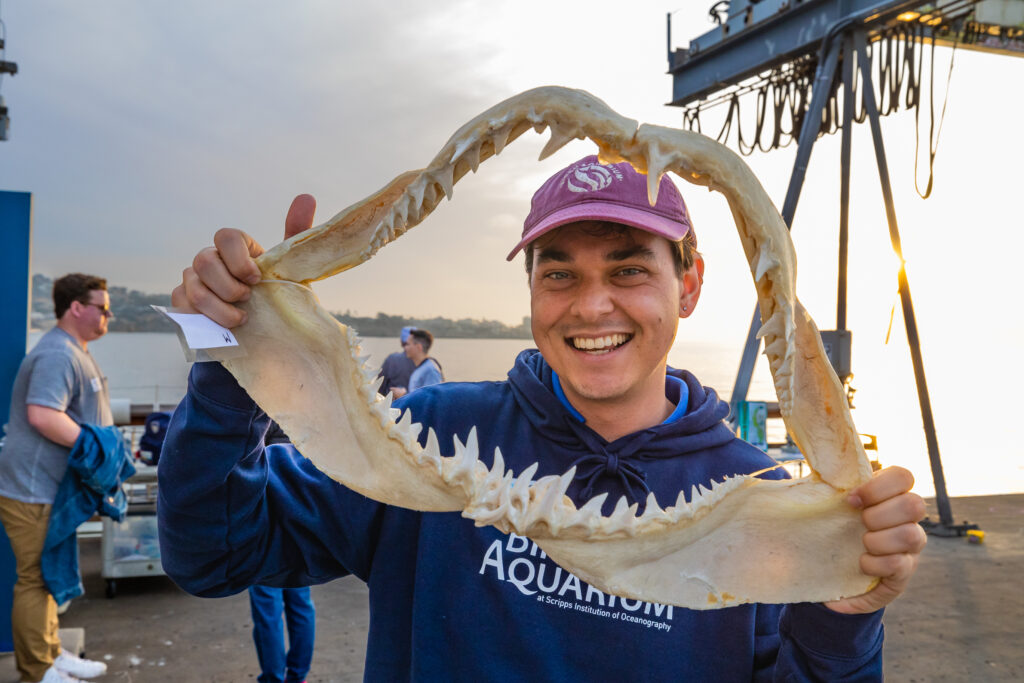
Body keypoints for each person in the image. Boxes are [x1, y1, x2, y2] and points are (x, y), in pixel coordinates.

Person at [161, 159, 927, 680]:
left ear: (687, 284)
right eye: (559, 272)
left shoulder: (761, 497)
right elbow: (215, 551)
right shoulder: (426, 434)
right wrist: (238, 356)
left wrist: (845, 608)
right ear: (531, 292)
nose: (592, 305)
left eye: (629, 268)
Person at [0, 274, 113, 683]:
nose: (108, 314)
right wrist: (98, 448)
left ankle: (51, 654)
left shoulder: (73, 350)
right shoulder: (57, 355)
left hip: (48, 487)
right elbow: (43, 415)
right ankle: (37, 670)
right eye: (101, 306)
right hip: (31, 489)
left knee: (45, 575)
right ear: (76, 308)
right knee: (33, 579)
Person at [246, 422, 316, 683]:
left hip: (265, 516)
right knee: (300, 603)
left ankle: (274, 678)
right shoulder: (303, 408)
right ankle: (298, 677)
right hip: (302, 515)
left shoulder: (260, 405)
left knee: (267, 607)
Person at [392, 328, 442, 398]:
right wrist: (406, 392)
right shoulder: (421, 367)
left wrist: (403, 395)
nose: (405, 348)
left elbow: (432, 399)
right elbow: (419, 394)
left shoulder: (431, 370)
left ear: (419, 347)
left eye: (408, 344)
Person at [376, 326, 417, 396]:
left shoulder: (391, 359)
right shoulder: (425, 363)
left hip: (393, 404)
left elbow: (379, 385)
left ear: (401, 341)